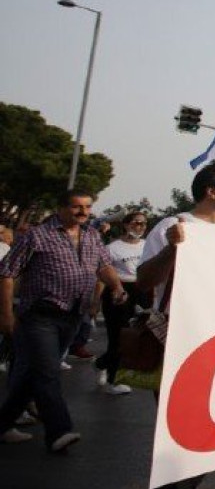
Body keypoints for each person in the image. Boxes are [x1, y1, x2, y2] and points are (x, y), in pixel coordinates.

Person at [0, 190, 130, 450]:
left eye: (87, 207)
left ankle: (2, 425)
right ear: (60, 208)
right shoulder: (37, 236)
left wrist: (116, 287)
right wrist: (6, 315)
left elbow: (104, 266)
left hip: (73, 316)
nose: (83, 212)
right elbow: (6, 273)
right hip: (40, 316)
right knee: (48, 372)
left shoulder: (91, 235)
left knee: (32, 375)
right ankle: (59, 431)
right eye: (76, 207)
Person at [94, 211, 150, 395]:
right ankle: (113, 379)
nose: (140, 227)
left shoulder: (147, 245)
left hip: (142, 289)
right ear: (126, 225)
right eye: (136, 223)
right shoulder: (112, 248)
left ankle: (102, 362)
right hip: (119, 289)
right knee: (118, 335)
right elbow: (102, 276)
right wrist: (95, 302)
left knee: (139, 335)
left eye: (143, 223)